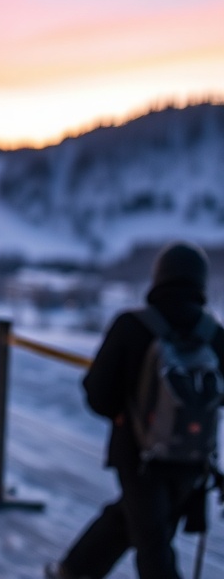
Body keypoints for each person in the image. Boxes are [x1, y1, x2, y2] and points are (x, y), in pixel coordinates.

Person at [46, 242, 224, 579]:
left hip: (137, 455)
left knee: (151, 541)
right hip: (192, 458)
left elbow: (97, 394)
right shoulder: (214, 335)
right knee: (138, 523)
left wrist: (124, 413)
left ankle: (72, 572)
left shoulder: (132, 325)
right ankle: (72, 571)